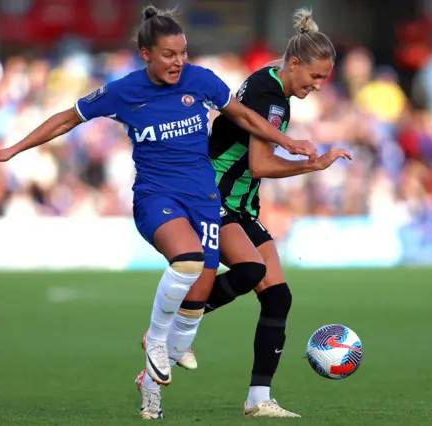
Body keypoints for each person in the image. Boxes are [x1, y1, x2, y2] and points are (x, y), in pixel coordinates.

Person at [0, 5, 318, 420]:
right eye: (170, 55)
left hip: (204, 200)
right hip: (156, 196)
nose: (179, 62)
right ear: (146, 55)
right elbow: (67, 119)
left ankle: (151, 388)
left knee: (195, 303)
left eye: (183, 53)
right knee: (188, 261)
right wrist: (11, 150)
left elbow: (243, 116)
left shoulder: (202, 81)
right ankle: (156, 338)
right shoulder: (124, 91)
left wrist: (290, 141)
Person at [136, 7, 350, 419]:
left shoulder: (273, 78)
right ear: (294, 64)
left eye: (324, 78)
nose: (319, 85)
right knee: (251, 270)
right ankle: (164, 334)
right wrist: (313, 164)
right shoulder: (272, 101)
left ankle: (257, 399)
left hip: (241, 202)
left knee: (278, 297)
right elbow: (259, 165)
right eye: (315, 76)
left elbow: (255, 161)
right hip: (215, 196)